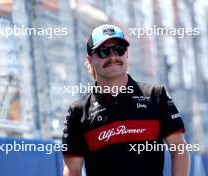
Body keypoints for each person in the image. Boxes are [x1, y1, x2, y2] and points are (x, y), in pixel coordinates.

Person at [62, 24, 190, 176]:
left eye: (119, 50)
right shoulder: (78, 111)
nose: (113, 57)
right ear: (90, 60)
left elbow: (179, 148)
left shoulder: (156, 95)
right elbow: (72, 169)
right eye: (104, 52)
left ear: (127, 54)